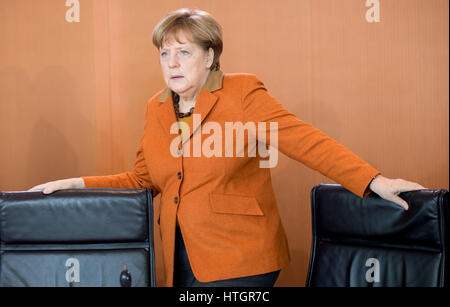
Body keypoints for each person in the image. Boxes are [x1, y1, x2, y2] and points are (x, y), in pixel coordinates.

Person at [30, 8, 425, 287]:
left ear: (210, 56)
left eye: (184, 51)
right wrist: (77, 183)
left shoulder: (242, 92)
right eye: (164, 53)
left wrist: (371, 180)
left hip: (242, 256)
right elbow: (144, 179)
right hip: (180, 259)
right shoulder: (156, 108)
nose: (172, 62)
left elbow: (304, 140)